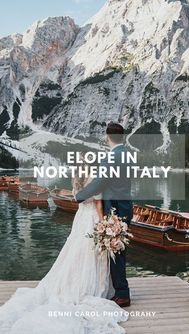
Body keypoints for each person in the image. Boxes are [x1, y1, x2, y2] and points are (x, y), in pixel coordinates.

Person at [0, 139, 129, 334]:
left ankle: (75, 283)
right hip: (93, 218)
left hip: (81, 219)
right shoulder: (96, 174)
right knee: (93, 253)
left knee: (78, 251)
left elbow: (80, 196)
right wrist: (105, 222)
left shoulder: (78, 176)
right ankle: (97, 287)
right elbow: (98, 202)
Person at [75, 122, 133, 308]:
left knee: (116, 250)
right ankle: (119, 290)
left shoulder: (113, 156)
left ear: (108, 137)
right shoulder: (127, 154)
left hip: (115, 209)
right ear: (122, 137)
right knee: (119, 249)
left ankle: (122, 294)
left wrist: (79, 195)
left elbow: (100, 182)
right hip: (125, 206)